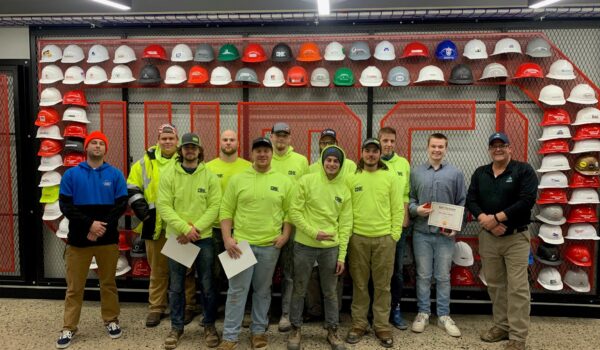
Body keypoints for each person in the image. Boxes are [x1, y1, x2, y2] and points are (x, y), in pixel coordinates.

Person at [217, 137, 294, 350]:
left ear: (271, 154)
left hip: (270, 246)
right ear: (251, 154)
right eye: (258, 150)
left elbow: (289, 212)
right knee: (236, 291)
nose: (262, 154)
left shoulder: (283, 181)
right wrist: (227, 238)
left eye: (266, 151)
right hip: (241, 246)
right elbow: (226, 210)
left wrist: (285, 235)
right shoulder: (238, 180)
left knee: (262, 291)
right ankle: (230, 336)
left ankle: (258, 332)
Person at [466, 132, 537, 350]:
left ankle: (517, 336)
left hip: (516, 237)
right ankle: (501, 326)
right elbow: (471, 199)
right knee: (495, 285)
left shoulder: (523, 170)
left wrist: (496, 218)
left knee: (518, 288)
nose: (498, 149)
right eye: (494, 145)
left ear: (510, 148)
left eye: (502, 145)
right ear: (489, 149)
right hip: (489, 238)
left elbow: (527, 201)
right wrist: (484, 220)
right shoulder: (481, 173)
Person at [56, 131, 128, 349]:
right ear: (86, 148)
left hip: (107, 240)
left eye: (101, 143)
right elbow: (66, 206)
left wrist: (98, 228)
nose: (97, 146)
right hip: (79, 241)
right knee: (75, 287)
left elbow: (120, 206)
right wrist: (89, 225)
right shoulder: (71, 175)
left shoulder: (115, 175)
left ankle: (111, 320)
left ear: (105, 149)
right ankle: (69, 327)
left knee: (108, 283)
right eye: (93, 143)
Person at [127, 124, 198, 328]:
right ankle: (156, 307)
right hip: (154, 224)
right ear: (158, 140)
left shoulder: (187, 161)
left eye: (171, 138)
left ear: (177, 141)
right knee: (158, 270)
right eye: (164, 138)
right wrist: (144, 213)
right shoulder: (144, 163)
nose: (167, 142)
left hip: (180, 227)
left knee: (185, 270)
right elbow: (131, 187)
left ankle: (188, 306)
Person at [157, 133, 222, 349]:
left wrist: (196, 229)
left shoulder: (209, 176)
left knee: (207, 285)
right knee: (176, 285)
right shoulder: (169, 175)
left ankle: (209, 325)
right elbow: (164, 206)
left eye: (194, 147)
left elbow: (215, 207)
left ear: (199, 150)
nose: (190, 151)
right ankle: (176, 328)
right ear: (181, 150)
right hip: (178, 238)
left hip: (203, 239)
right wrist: (185, 229)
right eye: (186, 147)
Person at [287, 145, 352, 350]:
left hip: (331, 249)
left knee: (331, 291)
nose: (332, 164)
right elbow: (294, 212)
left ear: (340, 165)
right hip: (304, 245)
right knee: (299, 288)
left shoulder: (344, 189)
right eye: (329, 160)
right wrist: (313, 232)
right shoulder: (306, 181)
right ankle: (295, 328)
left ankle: (332, 330)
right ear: (322, 161)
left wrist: (341, 256)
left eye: (336, 161)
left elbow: (346, 224)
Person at [345, 138, 404, 348]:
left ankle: (381, 326)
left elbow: (398, 208)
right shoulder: (352, 178)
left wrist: (394, 236)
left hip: (384, 240)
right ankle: (359, 324)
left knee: (383, 286)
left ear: (380, 154)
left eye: (374, 151)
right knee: (360, 285)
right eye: (367, 151)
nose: (371, 154)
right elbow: (346, 210)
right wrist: (350, 234)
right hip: (358, 239)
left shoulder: (390, 178)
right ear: (361, 153)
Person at [408, 133, 466, 337]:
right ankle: (423, 313)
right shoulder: (416, 173)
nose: (437, 150)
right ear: (428, 148)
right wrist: (417, 210)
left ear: (446, 149)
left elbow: (461, 203)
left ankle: (443, 315)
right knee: (423, 275)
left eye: (441, 147)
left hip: (445, 236)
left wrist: (456, 226)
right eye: (433, 146)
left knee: (442, 276)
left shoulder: (455, 174)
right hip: (421, 233)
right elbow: (411, 200)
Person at [305, 128, 356, 321]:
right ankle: (314, 310)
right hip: (314, 232)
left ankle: (333, 313)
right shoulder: (311, 168)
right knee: (313, 274)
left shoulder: (349, 166)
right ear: (319, 145)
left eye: (331, 142)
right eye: (323, 142)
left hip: (339, 229)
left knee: (336, 272)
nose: (327, 146)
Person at [269, 122, 309, 332]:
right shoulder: (264, 157)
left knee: (289, 273)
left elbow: (305, 194)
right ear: (271, 136)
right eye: (278, 135)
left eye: (285, 136)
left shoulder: (301, 161)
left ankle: (286, 314)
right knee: (265, 273)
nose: (281, 139)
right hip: (268, 226)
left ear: (290, 138)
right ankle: (263, 311)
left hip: (293, 227)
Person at [206, 130, 252, 285]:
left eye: (232, 139)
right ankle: (218, 307)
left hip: (240, 228)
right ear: (220, 142)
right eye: (225, 139)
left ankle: (240, 306)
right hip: (214, 228)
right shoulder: (208, 167)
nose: (228, 142)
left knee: (239, 272)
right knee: (215, 272)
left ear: (238, 143)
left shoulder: (249, 167)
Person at [378, 126, 411, 330]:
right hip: (378, 226)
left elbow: (406, 193)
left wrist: (405, 215)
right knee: (378, 272)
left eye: (391, 141)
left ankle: (395, 309)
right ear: (379, 142)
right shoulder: (372, 162)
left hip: (398, 226)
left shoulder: (403, 164)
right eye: (385, 141)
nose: (388, 144)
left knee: (396, 271)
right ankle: (376, 311)